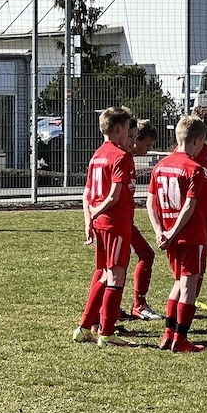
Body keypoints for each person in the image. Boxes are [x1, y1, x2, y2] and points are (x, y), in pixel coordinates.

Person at [147, 115, 207, 352]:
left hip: (168, 234)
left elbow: (150, 201)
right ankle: (182, 339)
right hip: (190, 234)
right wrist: (174, 231)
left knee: (178, 283)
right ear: (197, 141)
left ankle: (169, 334)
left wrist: (160, 232)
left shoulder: (160, 166)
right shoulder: (195, 168)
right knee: (189, 286)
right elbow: (189, 205)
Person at [74, 106, 138, 348]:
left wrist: (89, 218)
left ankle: (83, 327)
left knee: (102, 273)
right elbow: (113, 195)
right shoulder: (120, 156)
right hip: (114, 223)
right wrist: (97, 211)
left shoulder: (97, 155)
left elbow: (87, 192)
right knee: (116, 274)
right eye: (128, 128)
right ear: (120, 129)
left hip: (100, 224)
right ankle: (107, 333)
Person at [124, 120, 163, 322]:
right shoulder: (122, 158)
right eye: (147, 145)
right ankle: (138, 305)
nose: (148, 151)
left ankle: (108, 308)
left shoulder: (126, 158)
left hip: (122, 221)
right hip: (119, 223)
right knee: (145, 255)